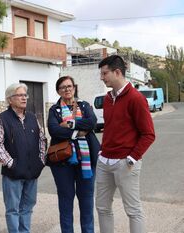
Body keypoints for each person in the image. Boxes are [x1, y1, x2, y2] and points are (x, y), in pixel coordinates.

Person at [96, 55, 155, 233]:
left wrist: (131, 158)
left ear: (117, 72)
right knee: (102, 208)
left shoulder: (136, 98)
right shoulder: (107, 99)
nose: (102, 77)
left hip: (125, 163)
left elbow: (148, 134)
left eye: (105, 73)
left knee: (133, 210)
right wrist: (102, 153)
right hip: (104, 161)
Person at [0, 83, 46, 233]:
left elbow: (42, 139)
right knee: (13, 209)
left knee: (27, 207)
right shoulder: (2, 119)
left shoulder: (33, 117)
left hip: (32, 172)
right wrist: (11, 163)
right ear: (10, 99)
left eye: (25, 95)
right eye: (19, 95)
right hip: (13, 174)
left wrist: (41, 160)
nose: (24, 98)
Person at [47, 76, 100, 233]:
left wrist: (70, 124)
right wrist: (79, 132)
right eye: (63, 87)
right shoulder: (54, 110)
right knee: (65, 200)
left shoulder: (84, 106)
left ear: (74, 88)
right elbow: (54, 130)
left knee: (86, 202)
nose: (67, 89)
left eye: (69, 86)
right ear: (58, 91)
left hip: (87, 161)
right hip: (62, 163)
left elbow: (92, 122)